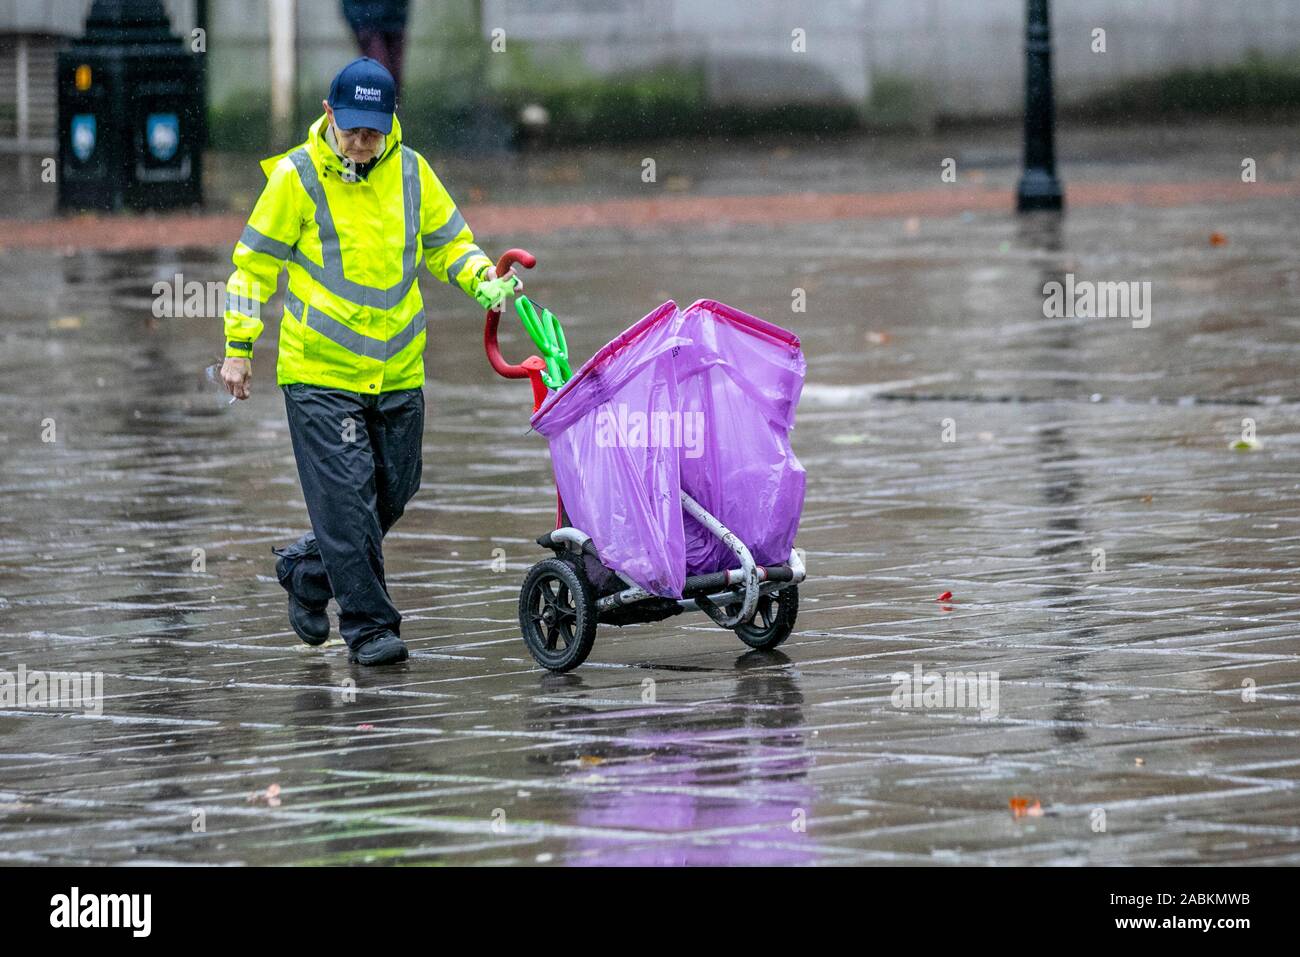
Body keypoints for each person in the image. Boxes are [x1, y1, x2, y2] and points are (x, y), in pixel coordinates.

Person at [220, 56, 520, 665]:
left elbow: (449, 245)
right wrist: (238, 347)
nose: (362, 143)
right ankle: (368, 625)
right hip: (318, 373)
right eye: (352, 128)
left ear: (391, 122)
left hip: (397, 369)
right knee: (347, 499)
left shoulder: (412, 173)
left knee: (397, 486)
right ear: (329, 115)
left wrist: (482, 279)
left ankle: (308, 569)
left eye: (373, 130)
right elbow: (253, 267)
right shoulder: (295, 178)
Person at [341, 0, 410, 93]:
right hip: (367, 19)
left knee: (394, 78)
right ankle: (377, 104)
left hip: (395, 17)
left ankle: (391, 105)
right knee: (380, 74)